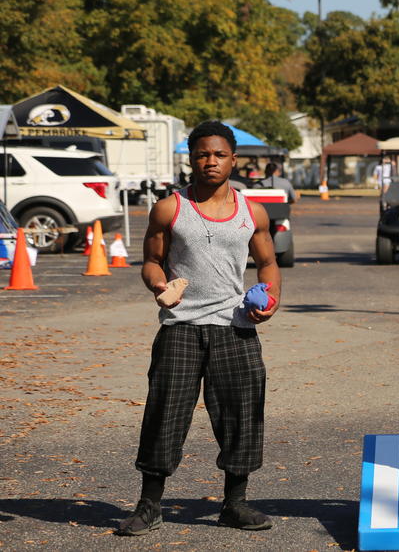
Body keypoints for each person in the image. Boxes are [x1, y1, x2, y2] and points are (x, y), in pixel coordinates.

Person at [117, 121, 282, 536]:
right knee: (164, 413)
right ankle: (150, 505)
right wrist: (159, 286)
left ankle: (235, 503)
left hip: (236, 325)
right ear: (191, 158)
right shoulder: (170, 208)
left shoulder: (252, 212)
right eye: (202, 154)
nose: (210, 161)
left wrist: (271, 299)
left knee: (242, 414)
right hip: (181, 327)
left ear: (233, 160)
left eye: (219, 154)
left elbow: (267, 264)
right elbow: (151, 260)